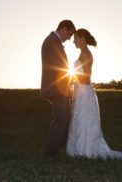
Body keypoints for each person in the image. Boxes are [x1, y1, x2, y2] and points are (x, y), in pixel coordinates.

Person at [67, 28, 122, 160]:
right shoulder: (83, 53)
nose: (73, 41)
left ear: (82, 38)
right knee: (79, 119)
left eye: (75, 38)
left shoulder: (86, 54)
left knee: (84, 119)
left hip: (83, 92)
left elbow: (86, 77)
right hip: (80, 91)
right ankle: (79, 148)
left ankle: (85, 149)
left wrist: (72, 80)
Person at [40, 20, 75, 157]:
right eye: (70, 34)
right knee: (61, 119)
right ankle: (50, 152)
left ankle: (58, 148)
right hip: (57, 88)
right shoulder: (52, 41)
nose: (69, 38)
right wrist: (70, 80)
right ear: (65, 28)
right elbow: (59, 66)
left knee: (65, 118)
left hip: (60, 88)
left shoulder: (53, 41)